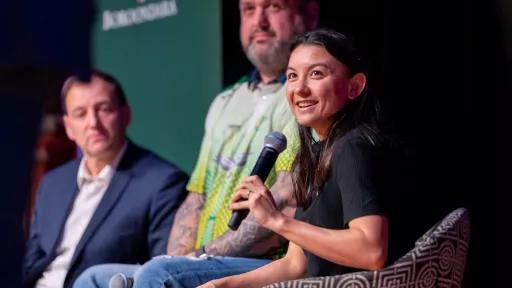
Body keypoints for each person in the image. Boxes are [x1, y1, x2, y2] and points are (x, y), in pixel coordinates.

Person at [73, 0, 319, 287]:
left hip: (260, 264)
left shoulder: (303, 101)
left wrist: (198, 257)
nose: (259, 21)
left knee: (158, 275)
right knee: (93, 278)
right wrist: (177, 258)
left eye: (273, 7)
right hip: (202, 259)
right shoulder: (225, 101)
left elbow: (287, 197)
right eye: (249, 10)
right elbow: (196, 198)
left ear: (309, 14)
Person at [198, 29, 395, 287]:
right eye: (292, 76)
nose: (300, 89)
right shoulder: (315, 157)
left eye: (316, 74)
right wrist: (223, 285)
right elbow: (296, 264)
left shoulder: (354, 147)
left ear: (354, 87)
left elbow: (372, 251)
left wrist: (276, 220)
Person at [22, 70, 189, 288]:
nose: (93, 122)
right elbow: (31, 261)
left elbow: (159, 273)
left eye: (103, 109)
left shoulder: (163, 182)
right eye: (80, 114)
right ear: (69, 127)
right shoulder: (52, 183)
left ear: (126, 114)